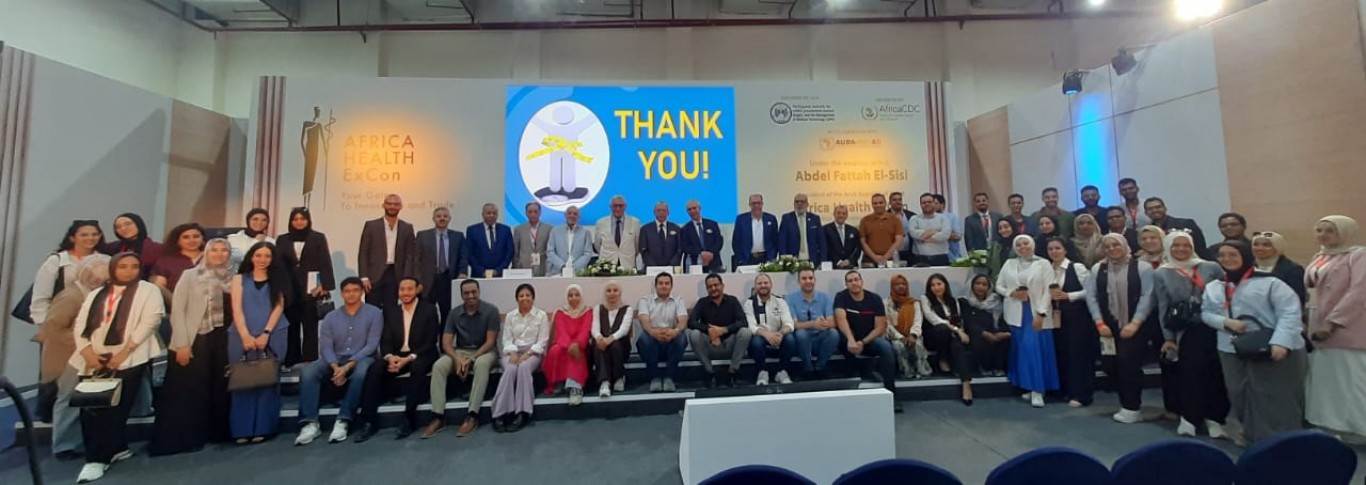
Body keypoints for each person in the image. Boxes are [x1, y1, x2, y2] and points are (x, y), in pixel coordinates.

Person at [70, 253, 164, 484]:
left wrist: (123, 354)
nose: (128, 271)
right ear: (113, 268)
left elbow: (150, 321)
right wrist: (88, 353)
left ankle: (99, 458)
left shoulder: (148, 290)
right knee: (90, 409)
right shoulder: (97, 293)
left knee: (115, 409)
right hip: (93, 358)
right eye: (123, 266)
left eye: (134, 266)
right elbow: (81, 325)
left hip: (130, 357)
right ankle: (110, 450)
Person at [1203, 241, 1305, 445]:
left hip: (1272, 346)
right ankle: (1251, 434)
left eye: (1233, 255)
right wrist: (1225, 322)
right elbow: (1206, 312)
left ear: (1246, 256)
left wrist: (1281, 342)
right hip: (1231, 347)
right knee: (1238, 391)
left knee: (1274, 395)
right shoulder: (1215, 286)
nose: (1226, 259)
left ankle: (1281, 441)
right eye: (1222, 255)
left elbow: (1290, 312)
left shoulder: (1271, 283)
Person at [148, 239, 233, 455]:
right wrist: (182, 344)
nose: (219, 254)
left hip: (221, 339)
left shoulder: (234, 278)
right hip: (195, 337)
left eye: (224, 250)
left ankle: (214, 432)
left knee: (217, 386)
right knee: (190, 390)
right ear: (206, 252)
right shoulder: (190, 275)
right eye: (214, 250)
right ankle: (186, 438)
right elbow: (178, 312)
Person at [1155, 231, 1229, 438]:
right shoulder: (1161, 273)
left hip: (1215, 327)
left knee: (1216, 374)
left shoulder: (1211, 267)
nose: (1181, 249)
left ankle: (1215, 419)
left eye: (1186, 245)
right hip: (1186, 330)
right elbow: (1163, 306)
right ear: (1168, 248)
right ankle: (1189, 419)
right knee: (1189, 375)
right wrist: (1169, 338)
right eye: (1176, 245)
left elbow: (1226, 293)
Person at [31, 219, 105, 421]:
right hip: (61, 323)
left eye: (94, 234)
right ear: (73, 237)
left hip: (91, 327)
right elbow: (40, 297)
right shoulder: (57, 261)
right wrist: (45, 328)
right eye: (84, 234)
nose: (90, 238)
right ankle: (48, 418)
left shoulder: (104, 259)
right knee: (56, 376)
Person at [294, 277, 381, 445]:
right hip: (336, 360)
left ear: (362, 292)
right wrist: (335, 367)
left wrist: (347, 367)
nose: (351, 294)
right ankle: (309, 423)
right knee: (308, 371)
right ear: (341, 294)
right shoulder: (331, 317)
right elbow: (326, 346)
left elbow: (371, 345)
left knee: (361, 372)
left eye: (355, 290)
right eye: (347, 291)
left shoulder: (374, 313)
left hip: (362, 358)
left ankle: (344, 419)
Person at [39, 254, 110, 459]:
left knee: (86, 398)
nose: (102, 283)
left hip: (87, 354)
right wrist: (84, 340)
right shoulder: (71, 296)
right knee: (69, 398)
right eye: (99, 280)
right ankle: (64, 445)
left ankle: (82, 440)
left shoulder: (94, 293)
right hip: (68, 357)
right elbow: (52, 328)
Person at [354, 277, 440, 441]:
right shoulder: (391, 311)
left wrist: (408, 359)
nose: (405, 293)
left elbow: (430, 341)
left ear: (417, 290)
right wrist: (390, 357)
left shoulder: (429, 310)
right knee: (375, 369)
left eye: (409, 289)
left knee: (417, 367)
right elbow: (385, 341)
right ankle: (369, 421)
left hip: (421, 354)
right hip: (397, 355)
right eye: (402, 289)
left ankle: (409, 418)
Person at [1305, 216, 1366, 442]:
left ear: (1344, 232)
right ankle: (1333, 426)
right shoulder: (1320, 256)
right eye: (1319, 230)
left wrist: (1332, 322)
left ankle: (1359, 428)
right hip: (1316, 322)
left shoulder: (1358, 255)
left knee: (1351, 379)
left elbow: (1359, 292)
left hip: (1346, 325)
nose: (1323, 235)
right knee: (1327, 380)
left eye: (1330, 231)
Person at [1085, 233, 1156, 424]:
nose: (1112, 249)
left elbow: (1148, 296)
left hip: (1134, 325)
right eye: (1107, 246)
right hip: (1107, 326)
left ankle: (1132, 407)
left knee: (1128, 363)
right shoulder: (1098, 268)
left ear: (1124, 245)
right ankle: (1124, 401)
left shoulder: (1142, 267)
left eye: (1116, 245)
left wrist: (1135, 323)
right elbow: (1091, 296)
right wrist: (1099, 322)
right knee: (1110, 365)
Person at [228, 242, 292, 444]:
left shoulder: (278, 279)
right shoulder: (239, 279)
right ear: (251, 257)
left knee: (268, 381)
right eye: (258, 255)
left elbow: (278, 307)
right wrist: (245, 335)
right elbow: (236, 309)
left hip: (273, 333)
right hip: (240, 334)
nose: (262, 260)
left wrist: (265, 333)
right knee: (242, 381)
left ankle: (264, 428)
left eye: (267, 256)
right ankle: (241, 429)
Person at [422, 279, 499, 439]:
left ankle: (472, 415)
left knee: (481, 365)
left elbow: (490, 342)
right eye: (466, 293)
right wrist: (457, 359)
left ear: (479, 292)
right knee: (439, 366)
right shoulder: (454, 313)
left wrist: (472, 359)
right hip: (461, 351)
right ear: (461, 295)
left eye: (474, 292)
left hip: (485, 352)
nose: (470, 296)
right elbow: (446, 342)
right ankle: (438, 416)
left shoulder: (491, 311)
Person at [997, 236, 1058, 408]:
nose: (1022, 247)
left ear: (1032, 245)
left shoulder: (1043, 264)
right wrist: (1011, 293)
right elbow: (999, 285)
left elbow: (1049, 290)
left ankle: (1038, 389)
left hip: (1036, 312)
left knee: (1034, 350)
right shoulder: (1009, 263)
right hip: (1016, 313)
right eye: (1018, 244)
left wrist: (1041, 313)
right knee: (1021, 351)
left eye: (1026, 243)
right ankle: (1028, 386)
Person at [274, 207, 335, 367]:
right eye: (296, 219)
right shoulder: (282, 239)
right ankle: (291, 361)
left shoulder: (318, 237)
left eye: (303, 219)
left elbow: (325, 261)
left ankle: (310, 361)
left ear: (308, 220)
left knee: (310, 327)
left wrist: (325, 285)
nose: (299, 222)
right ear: (291, 221)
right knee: (291, 327)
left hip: (311, 289)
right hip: (289, 289)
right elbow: (278, 264)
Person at [834, 270, 902, 413]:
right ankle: (853, 376)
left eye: (856, 280)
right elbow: (841, 319)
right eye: (850, 281)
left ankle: (892, 393)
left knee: (885, 347)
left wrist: (862, 342)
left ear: (862, 282)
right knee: (840, 337)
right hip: (849, 339)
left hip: (870, 339)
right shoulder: (841, 297)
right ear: (846, 284)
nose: (854, 283)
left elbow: (880, 327)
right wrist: (851, 340)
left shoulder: (874, 299)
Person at [1044, 237, 1096, 408]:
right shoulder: (1047, 269)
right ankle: (1064, 390)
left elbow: (1091, 290)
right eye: (1050, 249)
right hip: (1056, 318)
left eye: (1057, 248)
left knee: (1078, 355)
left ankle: (1082, 394)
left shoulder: (1077, 268)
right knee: (1061, 353)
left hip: (1077, 317)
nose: (1054, 252)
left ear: (1065, 250)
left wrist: (1069, 296)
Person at [492, 284, 549, 433]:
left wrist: (527, 354)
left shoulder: (541, 315)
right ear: (517, 298)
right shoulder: (511, 316)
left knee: (523, 368)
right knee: (510, 369)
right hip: (513, 351)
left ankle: (522, 412)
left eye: (528, 295)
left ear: (533, 298)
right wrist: (512, 353)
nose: (525, 298)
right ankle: (500, 412)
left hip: (533, 353)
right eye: (521, 296)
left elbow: (542, 341)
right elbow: (506, 339)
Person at [1135, 225, 1177, 419]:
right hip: (1147, 316)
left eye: (1153, 238)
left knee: (1173, 362)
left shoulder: (1173, 259)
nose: (1148, 242)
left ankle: (1177, 407)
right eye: (1144, 239)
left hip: (1170, 316)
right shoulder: (1137, 263)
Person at [688, 274, 753, 387]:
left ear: (722, 285)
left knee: (745, 332)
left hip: (730, 343)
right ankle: (709, 372)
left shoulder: (732, 300)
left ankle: (733, 372)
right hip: (710, 344)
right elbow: (691, 322)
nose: (713, 288)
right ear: (707, 289)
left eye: (716, 285)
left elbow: (743, 322)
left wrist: (724, 330)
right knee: (694, 335)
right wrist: (709, 331)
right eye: (710, 286)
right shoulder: (702, 302)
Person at [922, 273, 977, 405]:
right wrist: (957, 331)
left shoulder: (953, 301)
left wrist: (959, 331)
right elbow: (933, 319)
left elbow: (957, 320)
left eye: (939, 284)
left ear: (945, 285)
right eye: (933, 285)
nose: (936, 287)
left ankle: (966, 384)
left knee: (958, 347)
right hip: (934, 335)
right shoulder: (925, 299)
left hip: (951, 335)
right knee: (942, 329)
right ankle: (942, 358)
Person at [358, 194, 416, 309]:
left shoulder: (407, 227)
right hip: (374, 275)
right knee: (372, 309)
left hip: (395, 274)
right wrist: (364, 277)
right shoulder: (371, 225)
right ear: (383, 205)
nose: (392, 206)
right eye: (389, 204)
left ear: (401, 207)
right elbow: (363, 252)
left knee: (392, 310)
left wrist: (407, 277)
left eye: (396, 204)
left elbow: (410, 255)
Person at [637, 273, 690, 391]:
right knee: (644, 339)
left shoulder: (678, 300)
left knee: (681, 338)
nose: (664, 286)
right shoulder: (645, 300)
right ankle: (654, 377)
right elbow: (644, 320)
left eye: (667, 283)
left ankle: (669, 377)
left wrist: (675, 331)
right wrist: (653, 332)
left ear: (671, 286)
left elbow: (683, 320)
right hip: (652, 337)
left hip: (671, 337)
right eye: (660, 283)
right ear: (655, 286)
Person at [415, 206, 468, 320]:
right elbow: (416, 260)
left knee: (447, 313)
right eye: (439, 216)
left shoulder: (458, 236)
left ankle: (445, 332)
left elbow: (463, 257)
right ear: (433, 219)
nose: (442, 218)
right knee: (426, 313)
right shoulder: (422, 236)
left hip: (449, 279)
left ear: (449, 219)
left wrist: (462, 273)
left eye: (445, 216)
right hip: (428, 281)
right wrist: (418, 281)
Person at [543, 285, 593, 405]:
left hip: (581, 345)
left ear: (581, 296)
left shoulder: (587, 311)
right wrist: (569, 345)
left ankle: (575, 387)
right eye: (570, 295)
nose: (573, 297)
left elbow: (585, 330)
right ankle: (559, 380)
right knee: (555, 350)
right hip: (564, 343)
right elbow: (561, 332)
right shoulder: (560, 312)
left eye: (577, 295)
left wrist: (577, 344)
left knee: (577, 353)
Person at [745, 273, 796, 386]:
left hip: (778, 335)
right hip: (761, 337)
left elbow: (789, 323)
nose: (763, 285)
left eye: (766, 283)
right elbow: (752, 326)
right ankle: (762, 372)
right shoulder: (749, 303)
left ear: (771, 285)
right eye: (760, 283)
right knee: (756, 342)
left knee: (790, 339)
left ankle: (781, 371)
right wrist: (767, 335)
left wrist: (780, 333)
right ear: (755, 286)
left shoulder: (780, 301)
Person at [789, 268, 839, 379]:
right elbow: (793, 325)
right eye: (804, 278)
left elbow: (832, 322)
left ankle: (820, 367)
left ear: (815, 280)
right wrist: (813, 324)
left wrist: (824, 323)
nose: (808, 281)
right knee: (801, 333)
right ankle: (808, 368)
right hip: (801, 341)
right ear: (798, 281)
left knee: (833, 333)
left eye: (811, 278)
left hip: (820, 338)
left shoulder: (825, 297)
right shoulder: (791, 298)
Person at [964, 274, 1010, 377]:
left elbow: (1001, 320)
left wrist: (1004, 332)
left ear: (989, 287)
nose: (981, 287)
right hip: (974, 332)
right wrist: (983, 333)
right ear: (972, 285)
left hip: (994, 330)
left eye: (984, 284)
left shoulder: (996, 300)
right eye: (977, 283)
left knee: (1005, 338)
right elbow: (968, 322)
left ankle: (998, 368)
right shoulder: (965, 301)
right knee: (979, 339)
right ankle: (984, 367)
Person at [885, 274, 929, 378]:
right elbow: (887, 324)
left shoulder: (914, 303)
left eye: (903, 284)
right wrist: (900, 337)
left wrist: (913, 335)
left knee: (917, 344)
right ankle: (906, 372)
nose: (901, 286)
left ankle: (921, 371)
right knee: (899, 346)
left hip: (912, 335)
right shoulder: (886, 303)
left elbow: (918, 321)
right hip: (895, 336)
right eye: (897, 284)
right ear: (892, 286)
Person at [593, 281, 632, 397]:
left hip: (621, 344)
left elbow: (624, 329)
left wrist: (610, 339)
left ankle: (618, 377)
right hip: (602, 343)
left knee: (614, 346)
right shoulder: (598, 308)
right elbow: (595, 328)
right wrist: (599, 338)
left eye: (615, 290)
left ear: (620, 293)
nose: (612, 293)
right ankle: (604, 382)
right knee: (599, 346)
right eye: (608, 291)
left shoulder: (627, 309)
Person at [1251, 231, 1307, 304]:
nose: (1259, 248)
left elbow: (1297, 299)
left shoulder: (1293, 270)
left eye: (1266, 245)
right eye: (1256, 244)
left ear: (1277, 247)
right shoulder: (1247, 268)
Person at [1145, 197, 1211, 259]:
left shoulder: (1186, 224)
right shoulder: (1146, 231)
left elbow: (1201, 248)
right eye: (1150, 209)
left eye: (1158, 207)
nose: (1154, 210)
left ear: (1165, 208)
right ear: (1146, 213)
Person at [102, 213, 161, 279]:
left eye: (128, 224)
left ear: (138, 224)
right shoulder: (112, 247)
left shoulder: (156, 248)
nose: (123, 228)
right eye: (118, 227)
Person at [151, 223, 205, 292]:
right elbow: (160, 286)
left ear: (202, 239)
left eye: (196, 236)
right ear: (177, 241)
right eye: (186, 237)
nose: (192, 240)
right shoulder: (166, 261)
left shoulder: (212, 256)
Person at [467, 203, 515, 278]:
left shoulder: (505, 230)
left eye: (494, 213)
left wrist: (499, 270)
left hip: (500, 274)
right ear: (483, 214)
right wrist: (481, 271)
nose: (491, 215)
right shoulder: (472, 230)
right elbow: (469, 253)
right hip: (478, 275)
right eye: (489, 213)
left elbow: (509, 252)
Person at [595, 195, 642, 270]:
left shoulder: (635, 222)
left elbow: (637, 246)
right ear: (610, 207)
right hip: (607, 265)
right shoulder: (601, 223)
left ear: (625, 207)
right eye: (615, 206)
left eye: (620, 206)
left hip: (628, 265)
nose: (618, 208)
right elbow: (598, 245)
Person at [547, 205, 596, 276]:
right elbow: (550, 251)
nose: (572, 216)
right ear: (565, 215)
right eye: (569, 213)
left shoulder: (585, 232)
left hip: (578, 272)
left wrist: (574, 267)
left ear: (579, 217)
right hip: (558, 271)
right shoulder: (555, 231)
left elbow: (588, 253)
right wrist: (562, 265)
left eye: (575, 214)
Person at [732, 194, 778, 268]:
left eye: (758, 203)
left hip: (766, 258)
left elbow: (775, 240)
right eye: (753, 203)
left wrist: (772, 257)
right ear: (749, 205)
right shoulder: (741, 219)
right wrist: (741, 259)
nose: (756, 205)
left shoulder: (771, 219)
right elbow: (736, 241)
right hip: (747, 259)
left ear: (762, 204)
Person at [859, 194, 905, 268]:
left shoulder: (895, 219)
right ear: (872, 205)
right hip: (869, 261)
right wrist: (874, 257)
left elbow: (899, 240)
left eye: (881, 203)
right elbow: (863, 242)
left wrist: (886, 257)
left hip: (891, 260)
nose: (878, 205)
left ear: (885, 203)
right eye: (875, 203)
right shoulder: (865, 220)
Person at [777, 193, 825, 262]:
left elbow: (821, 241)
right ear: (794, 204)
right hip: (793, 261)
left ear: (807, 204)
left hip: (812, 260)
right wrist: (784, 260)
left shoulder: (815, 219)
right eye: (797, 202)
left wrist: (822, 260)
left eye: (802, 201)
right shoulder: (787, 218)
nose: (799, 204)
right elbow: (782, 241)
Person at [908, 193, 953, 266]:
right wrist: (934, 232)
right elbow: (913, 233)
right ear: (920, 205)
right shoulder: (914, 219)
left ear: (934, 203)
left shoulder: (943, 218)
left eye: (929, 202)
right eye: (924, 202)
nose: (927, 204)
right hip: (920, 257)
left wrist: (924, 239)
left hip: (941, 257)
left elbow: (945, 235)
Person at [680, 199, 725, 273]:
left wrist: (710, 253)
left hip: (714, 262)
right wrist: (701, 253)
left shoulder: (712, 224)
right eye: (689, 209)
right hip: (695, 264)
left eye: (694, 208)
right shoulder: (685, 229)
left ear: (699, 208)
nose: (692, 211)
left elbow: (719, 241)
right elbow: (685, 247)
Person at [512, 202, 552, 276]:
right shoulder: (519, 229)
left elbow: (550, 250)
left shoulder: (548, 228)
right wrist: (516, 267)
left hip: (543, 268)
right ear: (526, 213)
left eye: (535, 212)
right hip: (524, 268)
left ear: (540, 213)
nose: (533, 214)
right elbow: (516, 251)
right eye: (530, 212)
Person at [639, 201, 683, 268]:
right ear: (654, 212)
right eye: (659, 210)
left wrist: (671, 265)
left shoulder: (676, 228)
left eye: (664, 210)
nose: (661, 213)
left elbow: (679, 249)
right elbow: (643, 250)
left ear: (668, 213)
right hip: (651, 269)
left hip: (672, 268)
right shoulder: (645, 229)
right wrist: (654, 267)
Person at [824, 204, 862, 270]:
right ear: (834, 214)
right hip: (833, 267)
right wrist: (838, 262)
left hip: (850, 266)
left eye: (843, 213)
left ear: (846, 216)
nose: (841, 215)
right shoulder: (825, 229)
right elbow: (826, 248)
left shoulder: (853, 230)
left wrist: (849, 261)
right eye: (838, 213)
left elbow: (857, 248)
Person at [933, 194, 965, 262]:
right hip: (934, 256)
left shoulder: (952, 217)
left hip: (951, 256)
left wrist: (938, 234)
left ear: (942, 204)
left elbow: (957, 236)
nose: (933, 206)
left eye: (935, 203)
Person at [889, 192, 917, 264]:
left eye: (900, 199)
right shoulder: (885, 216)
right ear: (890, 202)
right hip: (891, 253)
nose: (898, 202)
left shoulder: (911, 215)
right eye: (894, 200)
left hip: (910, 253)